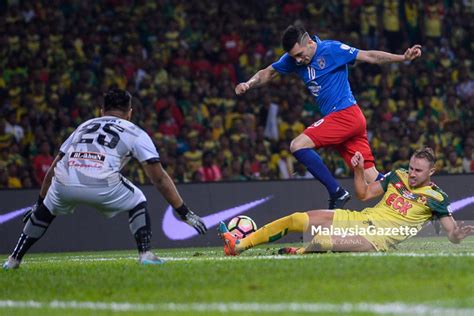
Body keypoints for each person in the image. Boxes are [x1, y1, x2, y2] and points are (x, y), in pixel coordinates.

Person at [3, 88, 207, 269]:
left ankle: (13, 259)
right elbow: (159, 179)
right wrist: (184, 212)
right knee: (137, 198)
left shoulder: (83, 126)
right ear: (130, 113)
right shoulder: (135, 131)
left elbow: (53, 168)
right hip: (101, 183)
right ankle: (145, 254)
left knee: (48, 207)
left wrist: (39, 204)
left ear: (101, 111)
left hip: (65, 180)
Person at [235, 25, 422, 209]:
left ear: (309, 41)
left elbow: (369, 56)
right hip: (347, 121)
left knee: (297, 145)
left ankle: (336, 192)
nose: (299, 60)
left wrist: (402, 58)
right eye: (294, 57)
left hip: (345, 114)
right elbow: (269, 72)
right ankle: (419, 200)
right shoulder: (293, 59)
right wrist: (248, 83)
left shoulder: (331, 49)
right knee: (372, 176)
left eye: (300, 54)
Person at [217, 147, 474, 255]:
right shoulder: (397, 175)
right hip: (360, 219)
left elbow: (451, 233)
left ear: (432, 172)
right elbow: (362, 195)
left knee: (320, 241)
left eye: (419, 171)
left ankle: (300, 252)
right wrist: (359, 170)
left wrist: (459, 234)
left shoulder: (437, 198)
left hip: (378, 239)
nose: (413, 174)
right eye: (412, 168)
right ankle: (238, 246)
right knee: (297, 219)